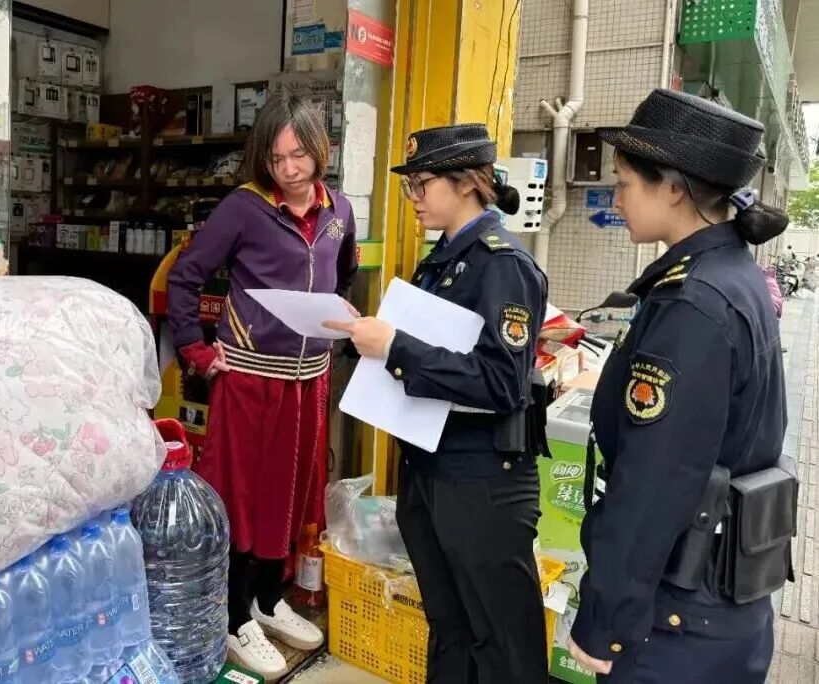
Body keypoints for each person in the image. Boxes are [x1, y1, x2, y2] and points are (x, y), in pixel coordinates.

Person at [566, 89, 792, 683]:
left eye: (624, 183)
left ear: (671, 187)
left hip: (675, 617)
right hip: (719, 596)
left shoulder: (693, 302)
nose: (616, 199)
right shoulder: (732, 274)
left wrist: (606, 619)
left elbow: (656, 478)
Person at [326, 123, 551, 683]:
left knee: (502, 641)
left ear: (467, 182)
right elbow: (431, 357)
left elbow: (502, 382)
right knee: (449, 626)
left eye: (422, 184)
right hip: (431, 470)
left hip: (483, 480)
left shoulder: (503, 265)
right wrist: (370, 341)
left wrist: (395, 347)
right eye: (411, 186)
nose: (414, 198)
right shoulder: (443, 259)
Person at [167, 94, 358, 679]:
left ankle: (269, 600)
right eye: (277, 159)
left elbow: (342, 274)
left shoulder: (340, 211)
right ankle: (231, 618)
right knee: (242, 497)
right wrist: (197, 349)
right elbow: (185, 276)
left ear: (321, 150)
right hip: (250, 381)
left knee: (293, 494)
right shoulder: (243, 209)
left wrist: (337, 319)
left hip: (310, 383)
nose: (289, 169)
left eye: (299, 155)